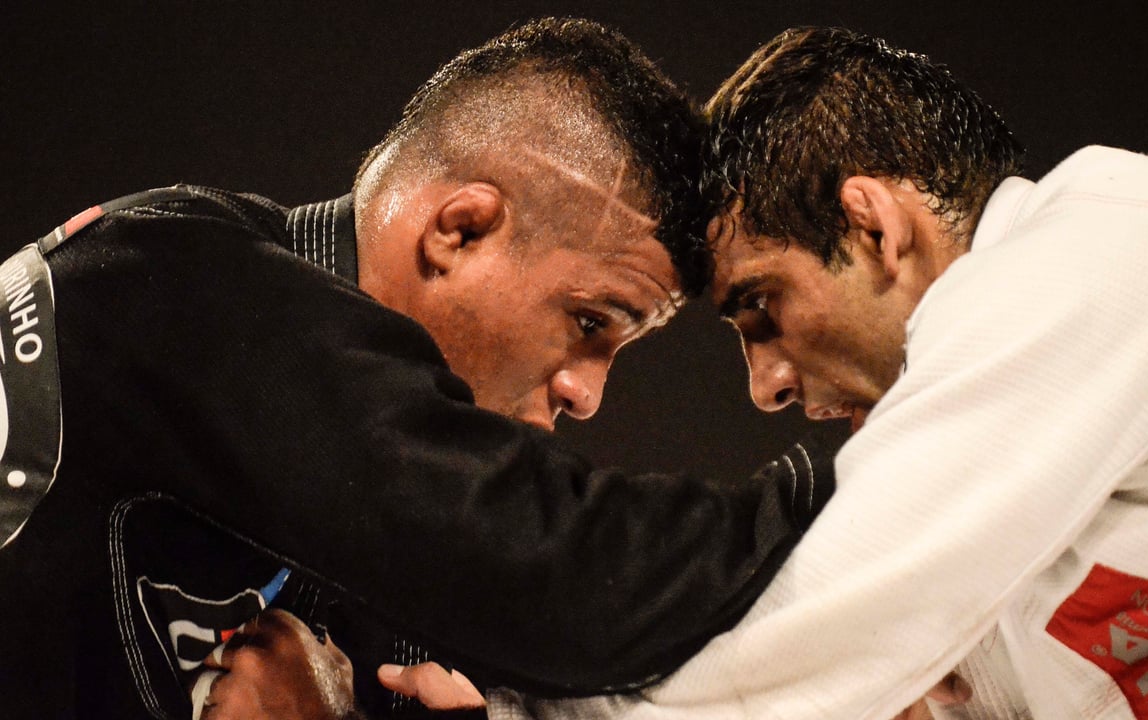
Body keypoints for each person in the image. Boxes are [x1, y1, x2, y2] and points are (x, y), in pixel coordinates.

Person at [0, 19, 836, 720]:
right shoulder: (171, 277)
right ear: (458, 231)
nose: (587, 392)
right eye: (588, 323)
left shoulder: (378, 537)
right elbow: (576, 583)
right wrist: (893, 468)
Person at [495, 26, 1148, 720]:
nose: (765, 385)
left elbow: (795, 666)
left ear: (875, 227)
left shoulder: (1095, 254)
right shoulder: (1029, 490)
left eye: (763, 304)